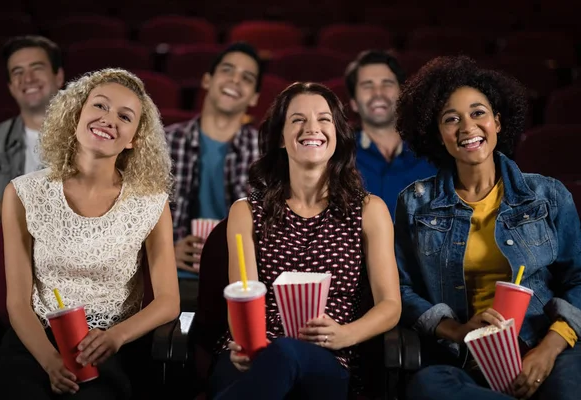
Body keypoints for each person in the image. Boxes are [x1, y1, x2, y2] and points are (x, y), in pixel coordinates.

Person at [394, 56, 581, 400]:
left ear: (497, 121)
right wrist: (457, 331)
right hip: (462, 358)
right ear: (437, 134)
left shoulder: (548, 195)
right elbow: (403, 291)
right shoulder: (415, 203)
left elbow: (578, 280)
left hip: (542, 345)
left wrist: (549, 349)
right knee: (427, 388)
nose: (467, 127)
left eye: (478, 113)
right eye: (451, 119)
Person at [0, 69, 180, 399]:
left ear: (134, 138)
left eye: (124, 116)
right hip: (36, 342)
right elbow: (18, 302)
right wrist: (51, 362)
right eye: (100, 106)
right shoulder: (22, 193)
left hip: (110, 344)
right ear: (77, 114)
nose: (109, 119)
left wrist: (116, 337)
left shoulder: (151, 202)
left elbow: (168, 301)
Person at [208, 82, 401, 399]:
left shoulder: (370, 210)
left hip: (328, 355)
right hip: (254, 351)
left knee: (285, 353)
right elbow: (243, 298)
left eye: (324, 119)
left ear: (337, 134)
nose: (312, 127)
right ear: (281, 137)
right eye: (298, 119)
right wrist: (247, 343)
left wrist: (344, 334)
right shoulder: (246, 212)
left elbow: (391, 306)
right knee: (264, 362)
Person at [166, 42, 262, 285]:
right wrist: (165, 252)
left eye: (246, 78)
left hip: (238, 281)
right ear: (207, 80)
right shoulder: (164, 142)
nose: (235, 80)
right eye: (227, 70)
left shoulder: (264, 152)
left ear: (254, 97)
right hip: (171, 278)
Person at [0, 35, 64, 300]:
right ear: (10, 86)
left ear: (59, 76)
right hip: (1, 265)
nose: (27, 78)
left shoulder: (87, 139)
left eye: (36, 68)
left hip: (68, 262)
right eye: (18, 72)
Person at [344, 50, 435, 220]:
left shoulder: (433, 152)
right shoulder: (338, 157)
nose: (378, 93)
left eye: (387, 84)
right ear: (354, 103)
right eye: (367, 85)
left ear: (402, 95)